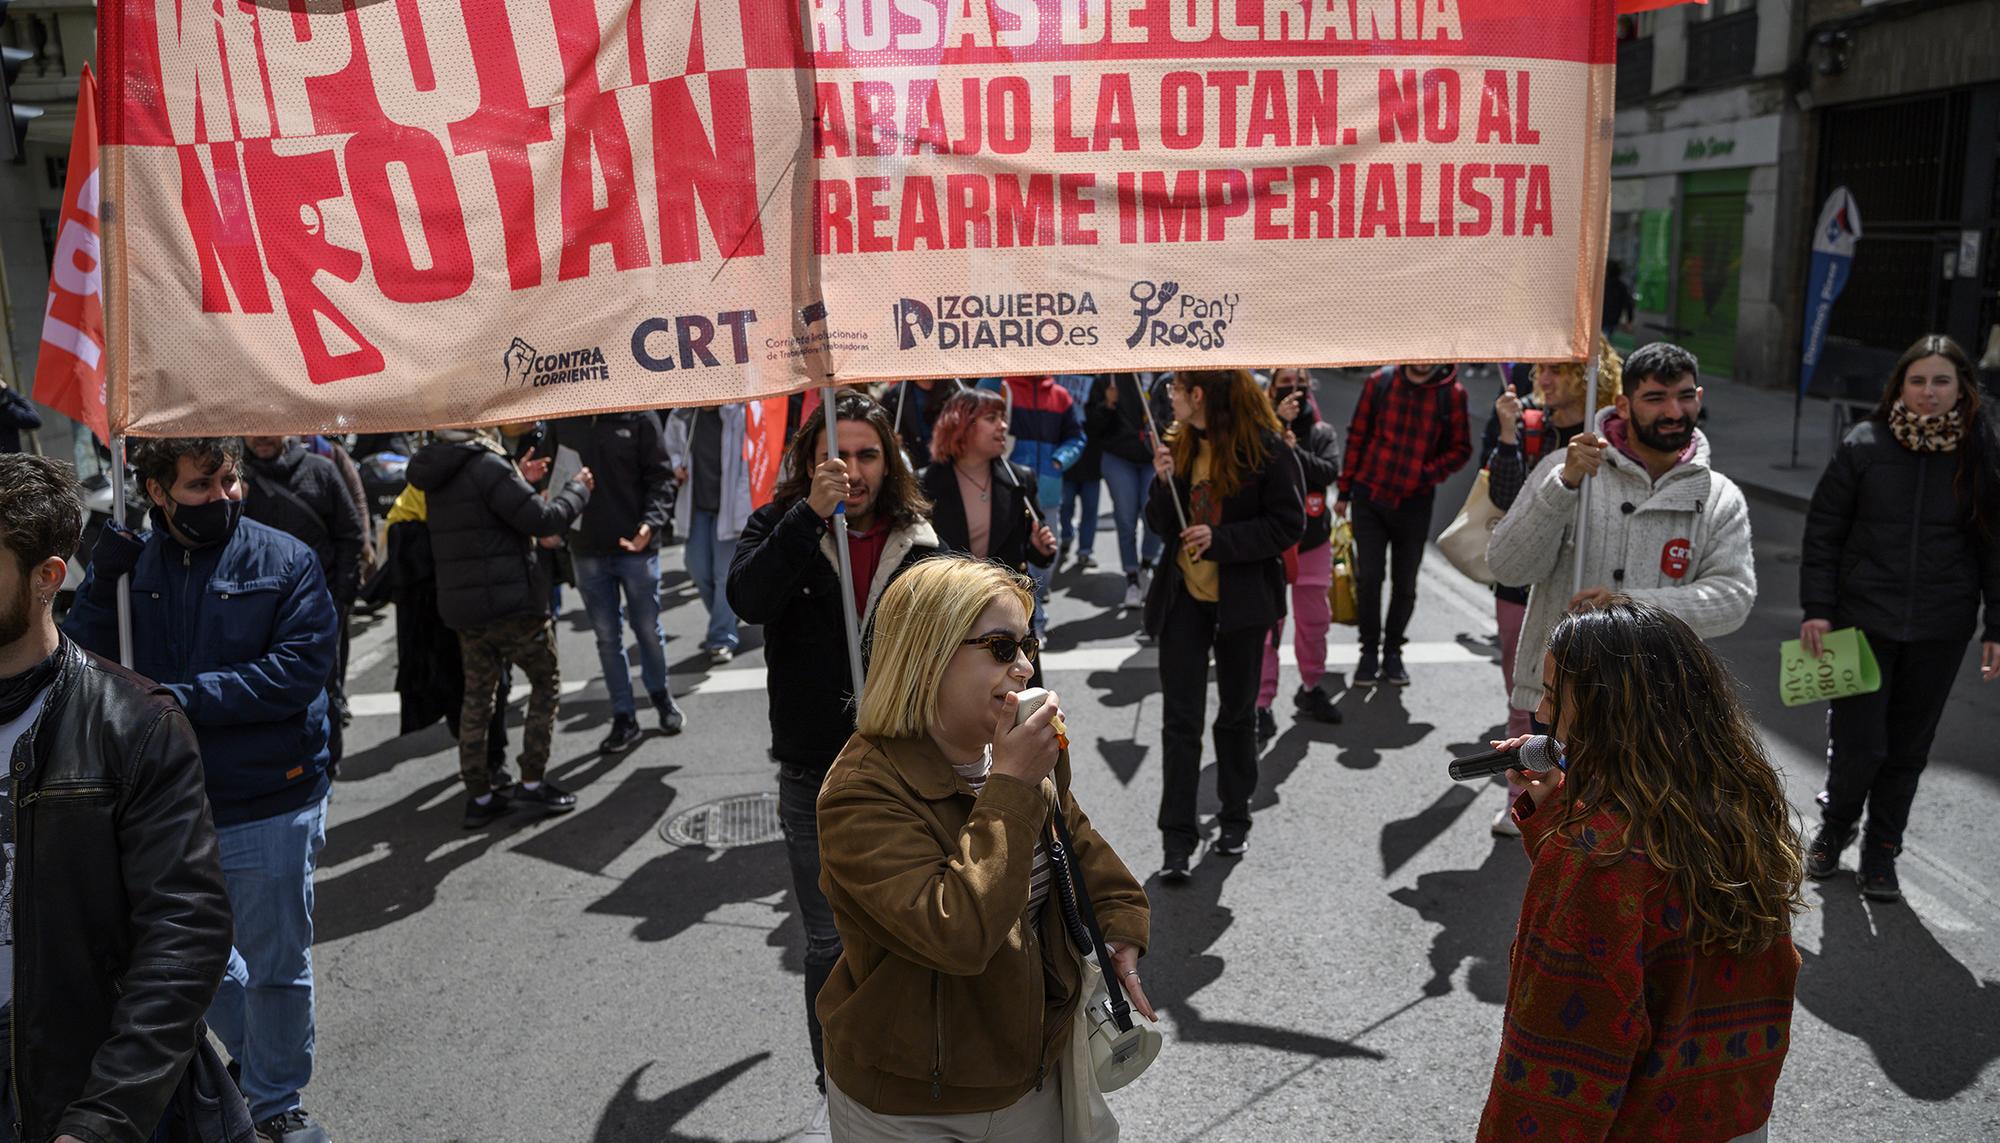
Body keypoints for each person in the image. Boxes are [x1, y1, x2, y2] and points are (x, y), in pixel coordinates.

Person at [816, 555, 1153, 1135]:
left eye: (1028, 644)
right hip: (908, 1104)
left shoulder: (1019, 750)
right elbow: (957, 935)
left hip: (1031, 1073)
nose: (1024, 667)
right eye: (1001, 647)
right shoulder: (860, 792)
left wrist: (1119, 922)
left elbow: (1073, 838)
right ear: (929, 655)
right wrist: (1012, 788)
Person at [66, 437, 339, 1143]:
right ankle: (259, 1055)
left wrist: (177, 699)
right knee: (194, 958)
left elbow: (297, 671)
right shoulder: (130, 569)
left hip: (271, 797)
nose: (220, 496)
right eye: (198, 485)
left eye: (227, 480)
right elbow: (77, 661)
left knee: (278, 962)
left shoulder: (285, 559)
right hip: (168, 801)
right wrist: (101, 584)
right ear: (155, 491)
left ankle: (275, 1100)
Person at [1480, 599, 1803, 1143]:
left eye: (1555, 696)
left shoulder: (1593, 859)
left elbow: (1555, 1063)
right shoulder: (1733, 809)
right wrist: (1564, 812)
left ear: (1610, 715)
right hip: (1737, 1115)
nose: (1541, 715)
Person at [0, 455, 250, 1143]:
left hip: (76, 1084)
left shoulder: (137, 726)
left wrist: (104, 1118)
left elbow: (185, 936)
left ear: (47, 577)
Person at [725, 392, 940, 1134]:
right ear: (811, 457)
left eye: (867, 454)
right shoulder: (782, 522)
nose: (853, 469)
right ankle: (837, 1084)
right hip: (814, 768)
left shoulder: (918, 534)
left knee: (911, 930)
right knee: (828, 940)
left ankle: (907, 1071)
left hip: (905, 766)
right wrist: (806, 519)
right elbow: (747, 598)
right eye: (838, 455)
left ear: (890, 458)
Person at [1799, 334, 2000, 902]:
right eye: (1918, 381)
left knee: (1909, 748)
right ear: (1899, 386)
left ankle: (1882, 851)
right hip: (1860, 622)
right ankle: (1835, 828)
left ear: (1962, 387)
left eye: (1942, 381)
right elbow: (1824, 535)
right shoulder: (1863, 444)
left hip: (1941, 627)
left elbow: (1994, 547)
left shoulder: (1981, 451)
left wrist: (1997, 627)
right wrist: (1818, 610)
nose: (1929, 393)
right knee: (1858, 743)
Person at [1486, 341, 1756, 736]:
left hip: (1656, 706)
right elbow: (1508, 567)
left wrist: (1631, 605)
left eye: (1684, 397)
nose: (1673, 412)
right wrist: (1562, 487)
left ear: (1699, 398)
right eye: (1655, 398)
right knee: (1553, 800)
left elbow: (1733, 599)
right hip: (1562, 700)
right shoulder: (1567, 467)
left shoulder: (1719, 496)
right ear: (1624, 404)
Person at [1146, 370, 1305, 879]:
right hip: (1184, 600)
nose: (1167, 398)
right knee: (1181, 720)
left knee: (1237, 716)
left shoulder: (1266, 450)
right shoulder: (1179, 445)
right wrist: (1162, 480)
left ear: (1198, 396)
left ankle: (1234, 815)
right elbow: (1159, 523)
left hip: (1242, 603)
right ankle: (1177, 836)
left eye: (1175, 390)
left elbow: (1288, 523)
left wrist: (1221, 540)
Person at [406, 429, 593, 829]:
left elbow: (482, 509)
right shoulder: (486, 464)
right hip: (514, 606)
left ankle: (480, 794)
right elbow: (544, 520)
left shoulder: (440, 466)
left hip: (466, 609)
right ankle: (531, 780)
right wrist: (577, 490)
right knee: (545, 684)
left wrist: (515, 476)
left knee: (477, 697)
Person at [1478, 341, 1621, 837]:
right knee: (1528, 700)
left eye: (1561, 370)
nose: (1547, 379)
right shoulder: (1530, 423)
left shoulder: (1609, 442)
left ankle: (1577, 797)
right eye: (1545, 368)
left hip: (1578, 591)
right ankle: (1523, 797)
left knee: (1583, 705)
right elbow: (1501, 495)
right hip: (1521, 590)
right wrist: (1508, 434)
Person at [547, 411, 681, 754]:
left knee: (648, 630)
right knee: (608, 638)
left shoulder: (639, 417)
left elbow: (661, 478)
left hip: (636, 547)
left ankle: (660, 696)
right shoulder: (563, 419)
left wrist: (650, 524)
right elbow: (549, 475)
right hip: (586, 550)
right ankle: (624, 716)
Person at [1336, 362, 1472, 687]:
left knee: (1405, 583)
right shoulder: (1378, 382)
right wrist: (1344, 490)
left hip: (1414, 503)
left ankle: (1393, 651)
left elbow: (1461, 449)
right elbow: (1357, 435)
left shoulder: (1451, 394)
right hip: (1369, 496)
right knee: (1369, 578)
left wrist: (1426, 474)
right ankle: (1368, 651)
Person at [242, 435, 367, 767]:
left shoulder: (321, 470)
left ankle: (326, 763)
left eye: (269, 427)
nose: (261, 437)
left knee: (325, 687)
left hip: (320, 605)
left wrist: (341, 594)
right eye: (252, 428)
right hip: (258, 612)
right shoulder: (236, 480)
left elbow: (350, 533)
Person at [1256, 368, 1344, 743]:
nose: (1293, 392)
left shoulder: (1322, 434)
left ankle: (1311, 687)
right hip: (1272, 546)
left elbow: (1327, 473)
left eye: (1300, 386)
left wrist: (1294, 449)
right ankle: (1261, 703)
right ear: (1271, 391)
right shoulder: (1260, 431)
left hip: (1312, 543)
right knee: (1266, 630)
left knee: (1313, 622)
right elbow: (1253, 473)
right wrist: (1276, 434)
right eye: (1285, 386)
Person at [921, 387, 1058, 580]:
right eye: (991, 418)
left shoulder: (1020, 478)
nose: (1003, 426)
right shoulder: (924, 484)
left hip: (1008, 599)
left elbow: (1028, 554)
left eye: (1003, 418)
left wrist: (1040, 549)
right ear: (961, 424)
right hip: (950, 601)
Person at [988, 376, 1085, 634]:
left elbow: (1076, 438)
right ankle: (1031, 619)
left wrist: (1059, 461)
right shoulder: (1003, 389)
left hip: (1049, 491)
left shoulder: (1061, 396)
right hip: (1009, 489)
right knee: (1014, 558)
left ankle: (1035, 611)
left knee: (1045, 558)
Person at [665, 403, 754, 665]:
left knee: (722, 575)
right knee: (697, 568)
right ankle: (726, 614)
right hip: (697, 509)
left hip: (729, 508)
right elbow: (668, 450)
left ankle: (721, 638)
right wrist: (674, 467)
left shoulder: (738, 413)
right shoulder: (681, 416)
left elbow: (750, 457)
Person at [1094, 373, 1170, 610]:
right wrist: (1107, 404)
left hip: (1151, 458)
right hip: (1119, 457)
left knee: (1153, 515)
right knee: (1125, 519)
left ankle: (1146, 564)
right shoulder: (1112, 377)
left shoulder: (1167, 378)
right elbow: (1092, 424)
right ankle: (1132, 578)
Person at [1056, 374, 1108, 570]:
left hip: (1091, 458)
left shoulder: (1099, 382)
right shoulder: (1059, 379)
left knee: (1090, 509)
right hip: (1066, 458)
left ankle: (1085, 551)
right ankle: (1066, 537)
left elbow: (1103, 422)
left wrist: (1106, 405)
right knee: (1065, 505)